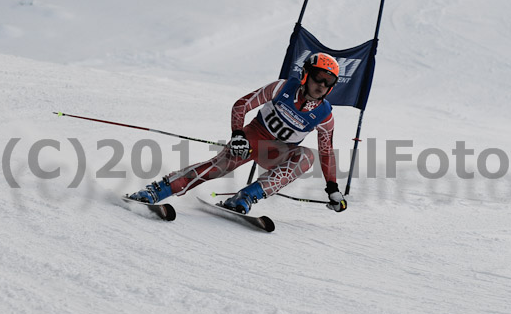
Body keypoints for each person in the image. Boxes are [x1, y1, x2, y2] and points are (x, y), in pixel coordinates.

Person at [129, 52, 347, 214]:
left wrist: (332, 187)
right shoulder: (281, 88)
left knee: (307, 156)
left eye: (328, 82)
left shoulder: (325, 115)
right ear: (306, 75)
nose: (321, 85)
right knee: (217, 168)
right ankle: (157, 190)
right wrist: (238, 135)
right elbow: (242, 105)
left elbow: (326, 152)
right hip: (252, 138)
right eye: (318, 77)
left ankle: (245, 197)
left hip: (278, 153)